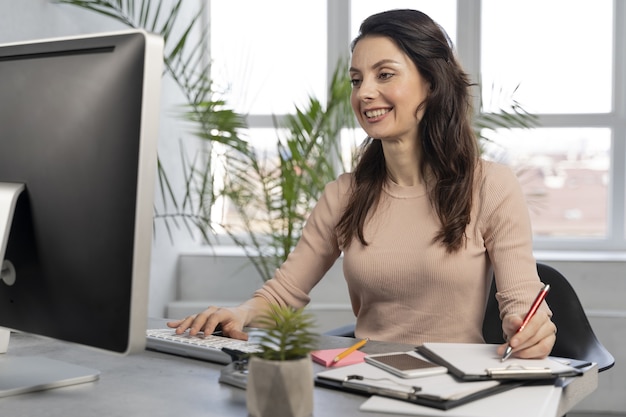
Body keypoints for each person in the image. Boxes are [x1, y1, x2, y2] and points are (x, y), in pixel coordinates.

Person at [168, 9, 557, 360]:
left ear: (432, 83)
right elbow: (283, 294)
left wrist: (532, 329)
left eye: (384, 74)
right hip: (366, 379)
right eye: (357, 80)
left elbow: (523, 305)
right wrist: (238, 313)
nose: (364, 92)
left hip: (453, 386)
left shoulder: (490, 185)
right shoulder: (343, 195)